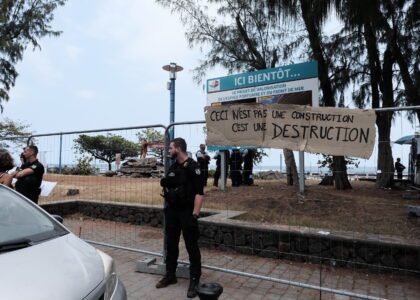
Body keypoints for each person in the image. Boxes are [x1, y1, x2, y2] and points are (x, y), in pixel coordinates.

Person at [157, 138, 204, 298]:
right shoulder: (174, 166)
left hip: (187, 212)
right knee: (171, 244)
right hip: (172, 212)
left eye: (170, 148)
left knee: (191, 246)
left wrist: (195, 215)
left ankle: (194, 279)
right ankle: (170, 275)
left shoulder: (193, 166)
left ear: (178, 148)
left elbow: (199, 193)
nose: (168, 151)